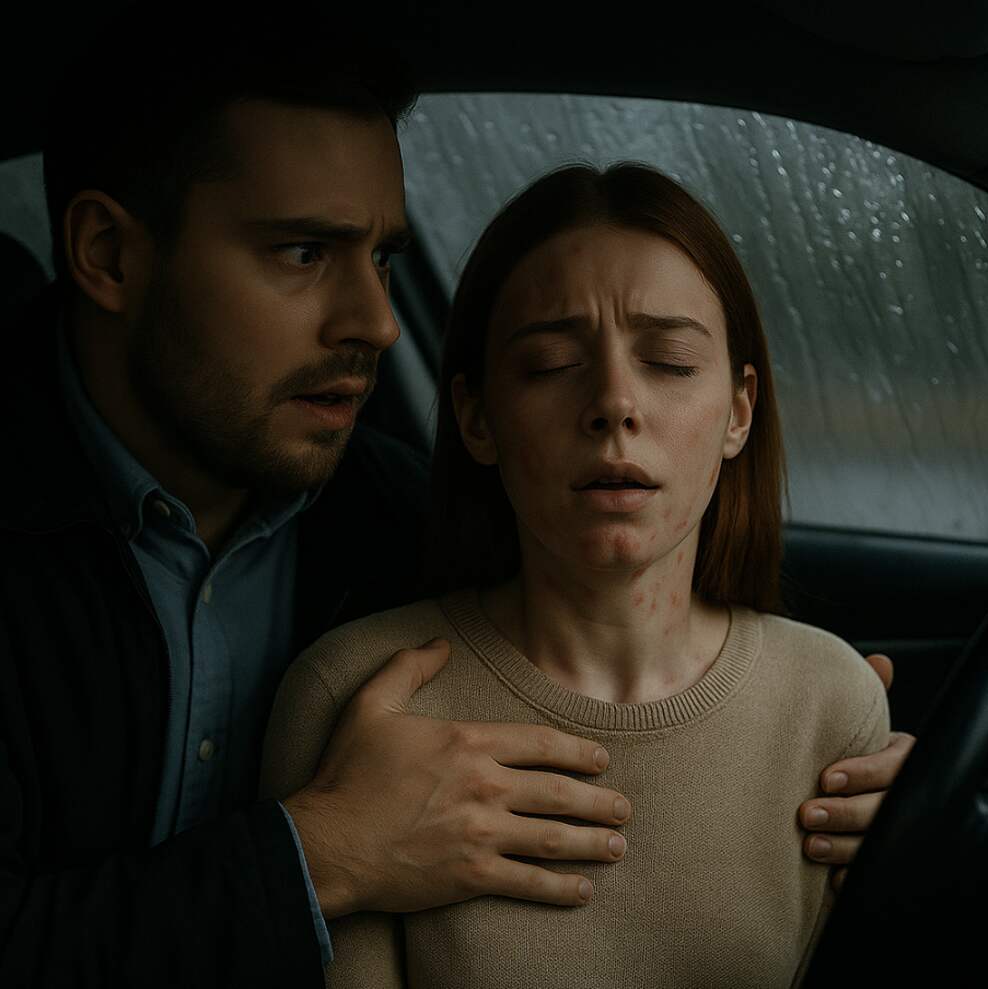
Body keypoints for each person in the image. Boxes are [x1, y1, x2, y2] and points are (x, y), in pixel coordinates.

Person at [0, 15, 911, 989]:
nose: (378, 322)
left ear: (739, 406)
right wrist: (319, 853)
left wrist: (884, 798)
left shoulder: (395, 517)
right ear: (108, 253)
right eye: (303, 251)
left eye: (382, 258)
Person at [260, 162, 896, 988]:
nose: (614, 403)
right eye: (552, 363)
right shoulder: (353, 694)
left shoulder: (832, 705)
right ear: (477, 415)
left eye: (670, 360)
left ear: (739, 411)